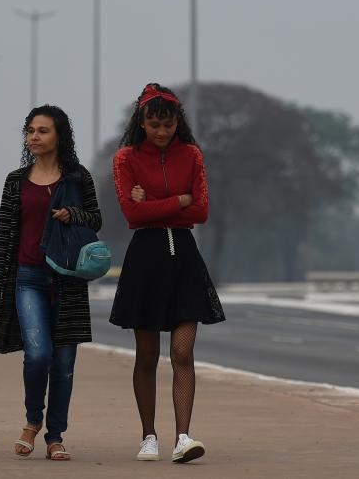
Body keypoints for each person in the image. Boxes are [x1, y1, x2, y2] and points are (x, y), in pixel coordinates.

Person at [109, 83, 226, 463]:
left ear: (178, 121)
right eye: (154, 123)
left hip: (184, 260)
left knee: (182, 352)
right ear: (142, 122)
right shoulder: (126, 158)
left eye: (168, 123)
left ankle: (184, 437)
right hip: (145, 259)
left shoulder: (191, 155)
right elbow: (132, 214)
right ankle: (148, 436)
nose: (161, 131)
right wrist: (179, 200)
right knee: (146, 355)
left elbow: (201, 212)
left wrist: (155, 204)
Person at [0, 105, 101, 461]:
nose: (34, 136)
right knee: (38, 354)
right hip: (27, 277)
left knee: (64, 364)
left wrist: (72, 215)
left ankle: (55, 436)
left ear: (59, 136)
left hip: (68, 279)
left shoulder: (78, 178)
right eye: (30, 130)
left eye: (42, 130)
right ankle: (32, 420)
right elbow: (5, 237)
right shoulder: (16, 181)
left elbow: (96, 219)